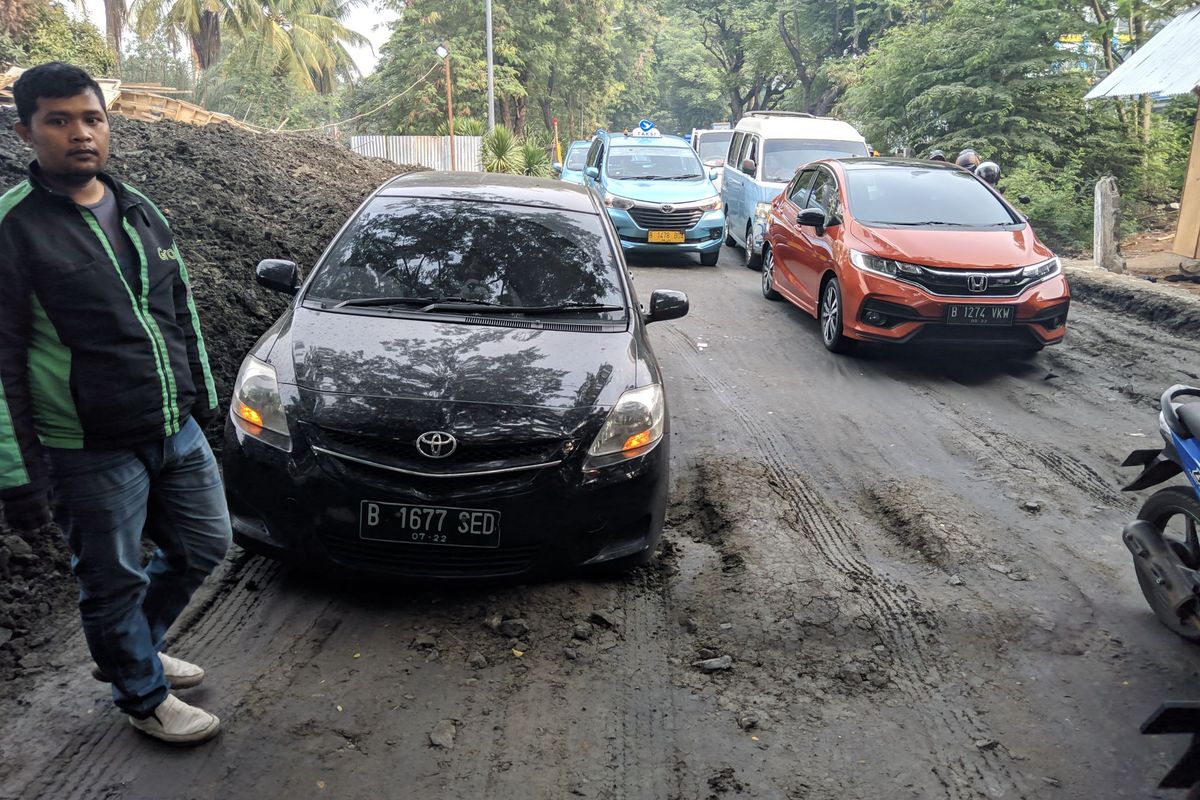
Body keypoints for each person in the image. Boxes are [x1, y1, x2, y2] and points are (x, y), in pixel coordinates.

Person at [0, 63, 230, 745]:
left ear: (108, 124)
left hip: (173, 427)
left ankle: (135, 648)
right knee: (112, 579)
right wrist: (16, 474)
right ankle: (141, 694)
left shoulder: (139, 208)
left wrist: (204, 398)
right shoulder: (13, 229)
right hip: (86, 446)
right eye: (59, 120)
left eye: (92, 118)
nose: (80, 134)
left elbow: (179, 307)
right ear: (25, 131)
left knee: (204, 544)